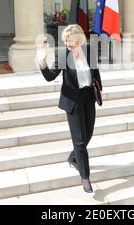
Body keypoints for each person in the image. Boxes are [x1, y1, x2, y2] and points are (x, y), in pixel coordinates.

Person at [36, 24, 102, 193]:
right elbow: (50, 77)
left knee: (88, 134)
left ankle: (73, 157)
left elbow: (95, 72)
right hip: (73, 100)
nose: (66, 43)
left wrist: (98, 88)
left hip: (88, 97)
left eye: (69, 39)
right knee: (79, 141)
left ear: (79, 38)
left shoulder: (89, 51)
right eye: (64, 40)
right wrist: (42, 60)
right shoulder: (63, 54)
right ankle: (85, 178)